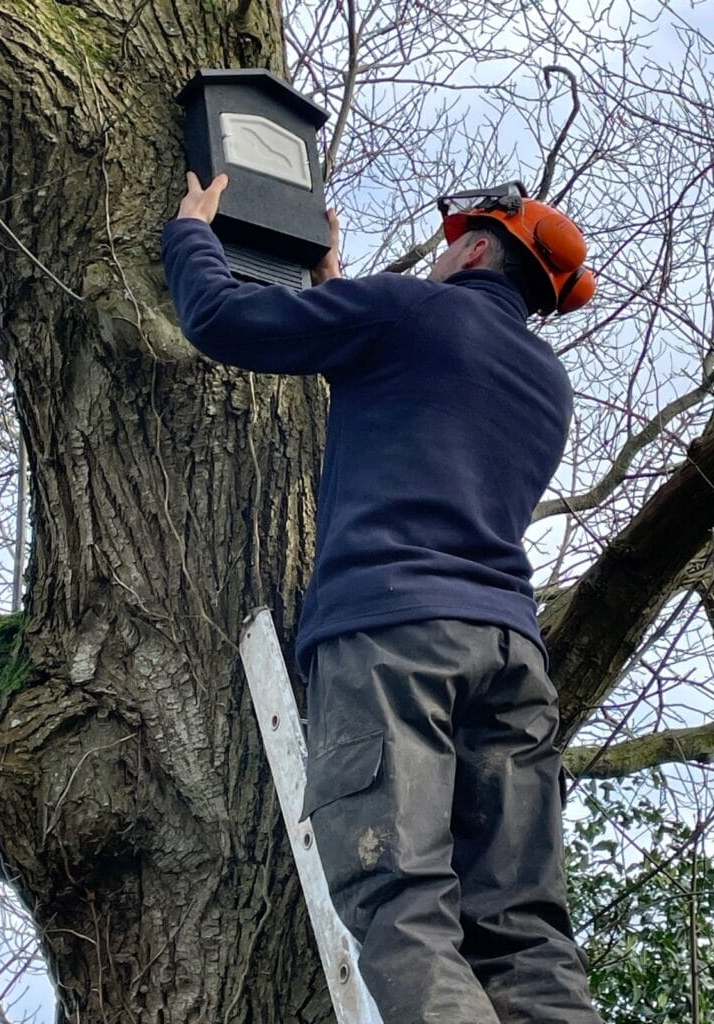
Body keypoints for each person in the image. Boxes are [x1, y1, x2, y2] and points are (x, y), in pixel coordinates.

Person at [162, 172, 603, 1024]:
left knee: (405, 909)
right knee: (526, 933)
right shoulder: (547, 385)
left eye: (452, 243)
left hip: (396, 636)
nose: (439, 256)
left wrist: (191, 233)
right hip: (511, 656)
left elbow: (219, 318)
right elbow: (412, 402)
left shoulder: (406, 312)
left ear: (476, 246)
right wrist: (340, 291)